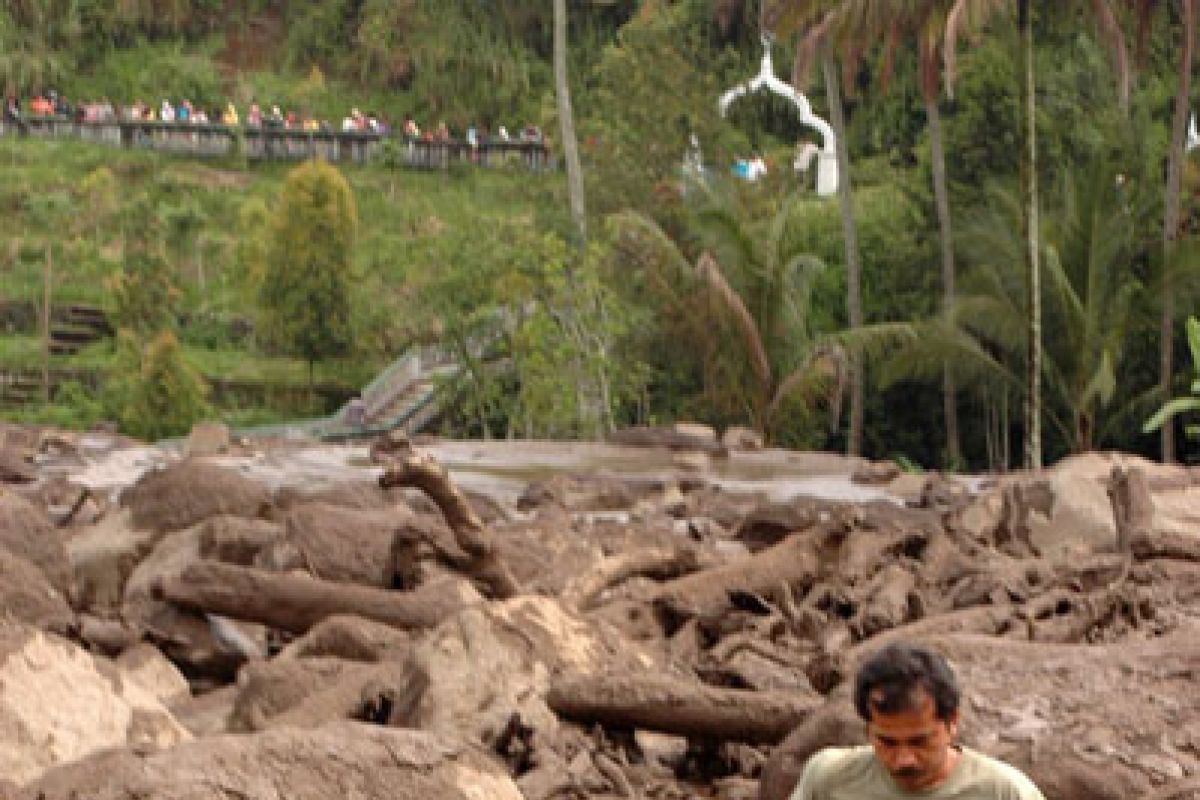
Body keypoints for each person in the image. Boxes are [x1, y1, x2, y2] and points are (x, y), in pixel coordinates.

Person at [790, 642, 1045, 799]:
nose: (904, 760)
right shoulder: (829, 779)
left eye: (919, 741)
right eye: (887, 742)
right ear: (868, 729)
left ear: (951, 722)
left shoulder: (1005, 792)